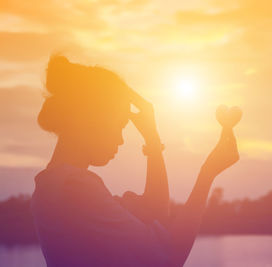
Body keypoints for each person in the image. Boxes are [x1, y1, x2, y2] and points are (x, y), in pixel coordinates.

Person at [31, 55, 240, 267]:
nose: (121, 140)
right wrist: (207, 173)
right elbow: (168, 257)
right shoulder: (75, 188)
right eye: (119, 125)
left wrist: (152, 139)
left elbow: (155, 213)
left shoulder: (52, 184)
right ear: (93, 119)